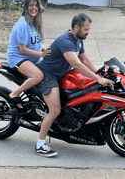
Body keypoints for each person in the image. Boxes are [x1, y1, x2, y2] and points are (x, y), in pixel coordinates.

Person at [32, 13, 114, 157]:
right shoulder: (66, 41)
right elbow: (76, 64)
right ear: (77, 27)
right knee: (55, 110)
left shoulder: (78, 40)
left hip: (61, 76)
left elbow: (85, 59)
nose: (88, 32)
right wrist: (98, 79)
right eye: (86, 29)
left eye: (89, 29)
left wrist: (99, 75)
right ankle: (40, 145)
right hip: (48, 76)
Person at [7, 0, 51, 106]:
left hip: (31, 59)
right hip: (18, 58)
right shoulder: (23, 25)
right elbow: (23, 49)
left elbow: (34, 43)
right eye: (31, 5)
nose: (34, 8)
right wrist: (42, 54)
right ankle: (15, 94)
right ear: (26, 7)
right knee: (38, 76)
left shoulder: (35, 24)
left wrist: (44, 50)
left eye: (36, 5)